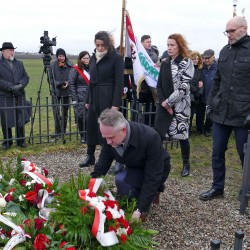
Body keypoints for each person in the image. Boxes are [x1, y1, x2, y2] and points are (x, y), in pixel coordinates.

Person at [199, 16, 250, 201]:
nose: (228, 35)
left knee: (245, 155)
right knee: (217, 152)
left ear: (244, 28)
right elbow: (218, 80)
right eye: (226, 31)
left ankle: (246, 190)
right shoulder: (224, 51)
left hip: (243, 114)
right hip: (221, 111)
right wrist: (210, 103)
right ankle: (217, 187)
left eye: (232, 31)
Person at [90, 108, 171, 221]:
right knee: (123, 182)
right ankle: (143, 195)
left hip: (158, 168)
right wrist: (90, 189)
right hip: (134, 165)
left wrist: (140, 209)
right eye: (105, 138)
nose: (107, 142)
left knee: (122, 181)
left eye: (111, 138)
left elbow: (153, 176)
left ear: (123, 130)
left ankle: (155, 191)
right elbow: (102, 164)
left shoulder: (150, 137)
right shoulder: (109, 134)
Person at [79, 31, 124, 168]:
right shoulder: (93, 58)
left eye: (102, 45)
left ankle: (118, 159)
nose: (99, 48)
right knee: (92, 127)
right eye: (97, 45)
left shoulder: (116, 58)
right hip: (94, 97)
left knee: (110, 129)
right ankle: (90, 155)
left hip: (108, 96)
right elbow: (91, 81)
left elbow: (119, 83)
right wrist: (87, 99)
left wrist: (115, 104)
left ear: (107, 44)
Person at [154, 33, 194, 177]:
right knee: (159, 136)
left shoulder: (186, 62)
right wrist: (165, 103)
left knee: (182, 137)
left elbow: (184, 88)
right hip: (164, 105)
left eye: (172, 45)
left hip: (181, 106)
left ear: (179, 46)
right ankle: (157, 163)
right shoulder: (165, 62)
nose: (169, 48)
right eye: (168, 45)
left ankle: (186, 164)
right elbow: (159, 86)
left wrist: (170, 103)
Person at [0, 42, 30, 149]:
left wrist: (20, 85)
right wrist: (11, 87)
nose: (12, 52)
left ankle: (21, 141)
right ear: (3, 52)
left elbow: (26, 77)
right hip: (5, 96)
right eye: (9, 50)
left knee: (20, 118)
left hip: (19, 95)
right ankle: (7, 142)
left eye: (13, 50)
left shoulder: (19, 63)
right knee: (6, 120)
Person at [50, 48, 73, 139]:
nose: (61, 58)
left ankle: (63, 131)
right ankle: (57, 132)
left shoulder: (70, 65)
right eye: (59, 56)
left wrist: (68, 83)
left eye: (63, 56)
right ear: (57, 56)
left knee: (65, 112)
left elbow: (72, 77)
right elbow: (50, 79)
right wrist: (58, 84)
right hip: (56, 91)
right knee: (56, 112)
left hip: (66, 92)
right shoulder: (52, 65)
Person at [69, 51, 90, 143]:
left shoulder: (91, 68)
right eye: (84, 58)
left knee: (90, 117)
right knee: (81, 117)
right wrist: (75, 98)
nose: (86, 60)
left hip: (90, 96)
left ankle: (90, 135)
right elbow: (71, 84)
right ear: (80, 59)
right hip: (80, 96)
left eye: (88, 58)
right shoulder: (75, 69)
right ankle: (83, 136)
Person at [196, 49, 217, 136]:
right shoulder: (200, 67)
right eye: (204, 58)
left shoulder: (218, 68)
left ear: (213, 57)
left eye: (208, 58)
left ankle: (207, 129)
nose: (206, 60)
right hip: (201, 95)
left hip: (212, 95)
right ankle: (199, 129)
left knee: (209, 114)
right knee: (199, 113)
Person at [137, 35, 158, 126]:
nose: (149, 43)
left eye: (150, 41)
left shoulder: (153, 54)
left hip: (150, 87)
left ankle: (149, 125)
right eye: (147, 42)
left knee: (150, 109)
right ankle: (139, 124)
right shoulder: (138, 53)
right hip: (140, 86)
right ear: (142, 43)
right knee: (139, 109)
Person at [189, 51, 203, 135]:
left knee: (193, 112)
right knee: (189, 114)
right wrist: (195, 91)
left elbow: (201, 82)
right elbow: (188, 82)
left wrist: (199, 92)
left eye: (197, 59)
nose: (195, 60)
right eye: (194, 59)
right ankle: (187, 130)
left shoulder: (199, 69)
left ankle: (191, 129)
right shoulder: (188, 69)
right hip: (190, 94)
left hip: (196, 95)